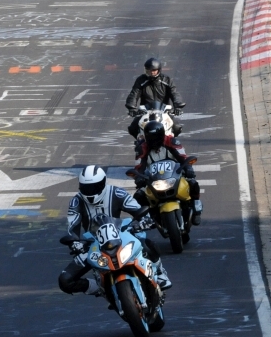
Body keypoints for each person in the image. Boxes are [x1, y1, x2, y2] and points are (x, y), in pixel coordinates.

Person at [58, 165, 172, 294]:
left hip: (121, 235)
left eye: (94, 187)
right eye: (85, 188)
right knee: (65, 280)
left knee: (145, 242)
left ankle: (160, 273)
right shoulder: (76, 202)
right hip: (93, 245)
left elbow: (137, 209)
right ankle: (101, 288)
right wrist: (74, 243)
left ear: (102, 184)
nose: (90, 192)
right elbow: (72, 228)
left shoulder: (117, 193)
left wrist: (145, 220)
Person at [134, 121, 203, 225]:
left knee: (193, 183)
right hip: (154, 179)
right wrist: (138, 177)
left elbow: (183, 157)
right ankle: (147, 219)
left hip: (175, 175)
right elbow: (139, 166)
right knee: (138, 196)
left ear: (162, 135)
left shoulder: (172, 141)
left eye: (156, 137)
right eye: (151, 138)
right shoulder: (142, 148)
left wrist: (188, 167)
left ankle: (196, 210)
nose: (154, 141)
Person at [125, 58, 185, 153]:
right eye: (149, 70)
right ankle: (140, 142)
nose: (151, 72)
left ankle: (172, 143)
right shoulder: (141, 80)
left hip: (164, 112)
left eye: (153, 70)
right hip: (145, 112)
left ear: (159, 70)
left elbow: (175, 93)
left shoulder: (167, 80)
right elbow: (134, 94)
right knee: (132, 128)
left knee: (177, 127)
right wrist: (131, 108)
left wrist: (178, 106)